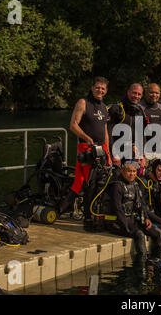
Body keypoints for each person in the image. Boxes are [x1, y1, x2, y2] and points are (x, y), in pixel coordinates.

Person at [59, 77, 111, 227]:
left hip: (101, 150)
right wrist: (86, 137)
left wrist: (108, 154)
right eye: (97, 87)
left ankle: (62, 209)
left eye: (103, 88)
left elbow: (105, 132)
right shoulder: (83, 103)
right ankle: (88, 217)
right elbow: (73, 125)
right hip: (87, 150)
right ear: (92, 87)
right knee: (90, 184)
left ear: (106, 91)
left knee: (87, 183)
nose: (100, 90)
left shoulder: (104, 107)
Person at [105, 160, 161, 257]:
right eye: (129, 171)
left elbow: (141, 204)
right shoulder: (117, 186)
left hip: (131, 220)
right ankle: (142, 263)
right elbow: (117, 209)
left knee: (158, 232)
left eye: (134, 171)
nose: (132, 174)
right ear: (122, 171)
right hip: (116, 223)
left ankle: (160, 260)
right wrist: (126, 226)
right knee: (140, 234)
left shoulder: (135, 185)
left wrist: (146, 218)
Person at [108, 83, 149, 152]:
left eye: (139, 94)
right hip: (118, 153)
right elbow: (108, 132)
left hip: (134, 154)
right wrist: (112, 153)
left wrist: (142, 154)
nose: (136, 96)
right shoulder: (116, 109)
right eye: (134, 93)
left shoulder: (140, 111)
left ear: (142, 96)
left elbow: (142, 135)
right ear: (128, 92)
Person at [139, 83, 161, 159]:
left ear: (160, 94)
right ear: (146, 92)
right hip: (143, 153)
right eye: (151, 92)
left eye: (157, 93)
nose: (154, 95)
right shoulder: (139, 107)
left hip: (159, 152)